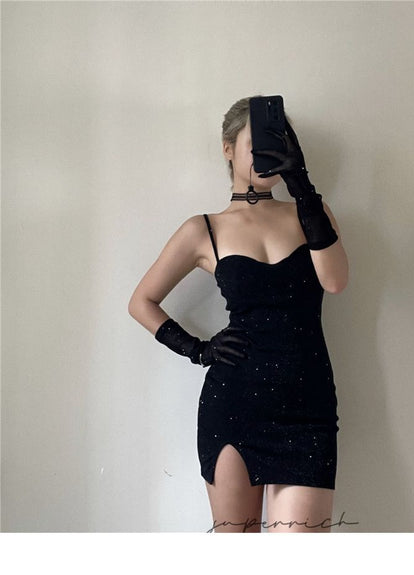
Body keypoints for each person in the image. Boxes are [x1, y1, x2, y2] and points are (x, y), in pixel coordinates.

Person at [128, 96, 349, 532]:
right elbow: (141, 302)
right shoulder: (203, 229)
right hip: (234, 402)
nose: (269, 152)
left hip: (307, 406)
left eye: (279, 142)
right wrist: (198, 350)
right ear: (228, 148)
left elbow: (336, 281)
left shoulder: (311, 213)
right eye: (258, 143)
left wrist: (302, 185)